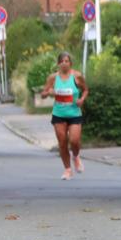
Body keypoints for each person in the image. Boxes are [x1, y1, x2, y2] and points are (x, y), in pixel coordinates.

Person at [40, 52, 88, 180]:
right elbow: (43, 93)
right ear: (58, 64)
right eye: (62, 61)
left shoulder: (77, 76)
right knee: (62, 142)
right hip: (59, 113)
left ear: (70, 63)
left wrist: (82, 99)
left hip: (74, 113)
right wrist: (48, 93)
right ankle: (67, 169)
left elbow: (86, 90)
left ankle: (76, 156)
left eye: (67, 61)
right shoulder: (53, 78)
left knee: (74, 140)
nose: (64, 63)